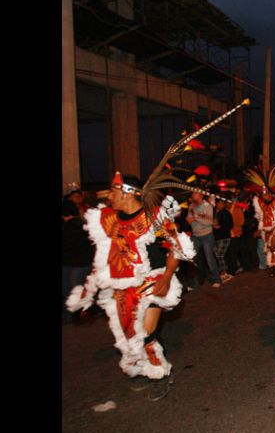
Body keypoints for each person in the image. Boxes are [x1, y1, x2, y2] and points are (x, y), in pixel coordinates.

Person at [66, 172, 194, 401]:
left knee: (145, 331)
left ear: (127, 193)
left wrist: (166, 277)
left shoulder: (155, 217)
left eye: (113, 191)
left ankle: (160, 374)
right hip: (124, 284)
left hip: (153, 280)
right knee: (128, 334)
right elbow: (103, 256)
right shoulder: (108, 219)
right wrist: (90, 292)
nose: (109, 196)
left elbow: (176, 247)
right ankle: (140, 368)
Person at [245, 166, 275, 276]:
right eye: (263, 194)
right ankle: (273, 264)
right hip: (265, 229)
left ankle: (274, 266)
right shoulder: (259, 203)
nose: (264, 196)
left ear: (270, 194)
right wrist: (259, 230)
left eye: (266, 194)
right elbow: (260, 218)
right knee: (268, 248)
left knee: (272, 246)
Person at [62, 199, 94, 323]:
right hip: (82, 262)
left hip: (74, 263)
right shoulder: (82, 223)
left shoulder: (70, 226)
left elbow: (67, 244)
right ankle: (74, 316)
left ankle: (72, 316)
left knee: (71, 291)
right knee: (77, 290)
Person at [187, 190, 222, 288]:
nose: (193, 195)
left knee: (210, 258)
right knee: (191, 258)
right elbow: (189, 219)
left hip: (207, 235)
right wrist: (195, 218)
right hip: (195, 235)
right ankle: (194, 283)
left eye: (195, 193)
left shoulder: (207, 206)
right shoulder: (191, 206)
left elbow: (209, 221)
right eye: (193, 193)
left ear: (201, 195)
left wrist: (196, 217)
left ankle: (217, 279)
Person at [213, 197, 234, 283]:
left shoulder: (226, 213)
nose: (222, 205)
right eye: (220, 203)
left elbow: (230, 225)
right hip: (214, 237)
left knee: (219, 255)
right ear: (216, 204)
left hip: (224, 237)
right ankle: (221, 272)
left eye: (223, 203)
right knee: (216, 255)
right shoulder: (213, 212)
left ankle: (224, 273)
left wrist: (220, 227)